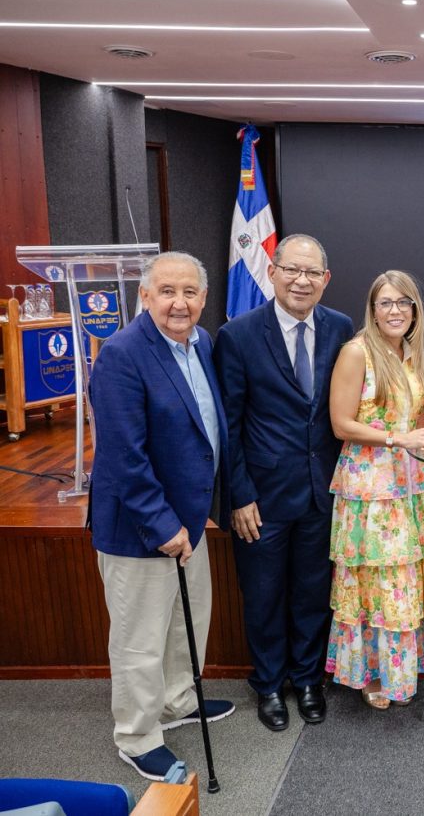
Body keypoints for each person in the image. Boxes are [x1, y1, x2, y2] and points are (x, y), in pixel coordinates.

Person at [89, 251, 234, 781]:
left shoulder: (202, 344)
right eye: (167, 291)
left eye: (190, 292)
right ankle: (136, 735)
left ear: (204, 297)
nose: (180, 302)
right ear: (145, 297)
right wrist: (162, 524)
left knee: (185, 623)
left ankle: (177, 700)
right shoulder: (123, 355)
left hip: (189, 519)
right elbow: (123, 456)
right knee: (139, 638)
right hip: (142, 526)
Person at [214, 234, 354, 731]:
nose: (301, 280)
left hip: (325, 490)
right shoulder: (238, 335)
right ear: (272, 272)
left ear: (325, 280)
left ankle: (309, 679)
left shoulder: (341, 328)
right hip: (263, 498)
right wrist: (239, 494)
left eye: (312, 273)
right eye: (292, 270)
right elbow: (227, 425)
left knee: (313, 590)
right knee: (264, 593)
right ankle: (270, 684)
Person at [326, 270, 424, 709]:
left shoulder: (414, 353)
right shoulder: (356, 352)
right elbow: (341, 424)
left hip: (412, 482)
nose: (395, 311)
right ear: (373, 310)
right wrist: (401, 438)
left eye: (404, 302)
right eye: (386, 303)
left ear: (415, 309)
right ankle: (374, 673)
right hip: (370, 487)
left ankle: (406, 665)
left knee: (407, 576)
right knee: (377, 581)